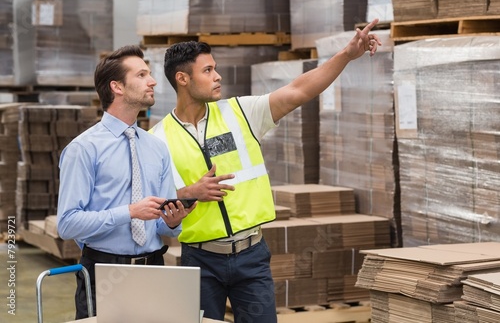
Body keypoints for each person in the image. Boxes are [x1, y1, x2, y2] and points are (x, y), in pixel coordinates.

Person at [149, 19, 382, 323]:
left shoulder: (240, 113)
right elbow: (153, 201)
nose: (218, 76)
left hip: (251, 257)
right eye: (207, 71)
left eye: (215, 68)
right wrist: (190, 193)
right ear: (182, 78)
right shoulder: (157, 138)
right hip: (199, 261)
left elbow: (298, 90)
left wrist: (347, 55)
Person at [57, 45, 196, 319]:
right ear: (117, 87)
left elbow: (162, 225)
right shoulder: (84, 149)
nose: (153, 81)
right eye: (142, 75)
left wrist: (173, 221)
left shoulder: (156, 147)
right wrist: (129, 212)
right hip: (103, 273)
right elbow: (67, 223)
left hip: (154, 269)